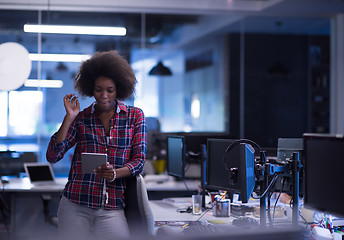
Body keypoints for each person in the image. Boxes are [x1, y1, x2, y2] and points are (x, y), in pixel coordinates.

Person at [46, 50, 147, 240]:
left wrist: (116, 172)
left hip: (112, 205)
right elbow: (53, 155)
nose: (103, 96)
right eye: (98, 89)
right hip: (75, 203)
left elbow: (139, 161)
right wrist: (69, 118)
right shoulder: (82, 118)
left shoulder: (135, 116)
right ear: (90, 88)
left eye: (110, 90)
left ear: (119, 89)